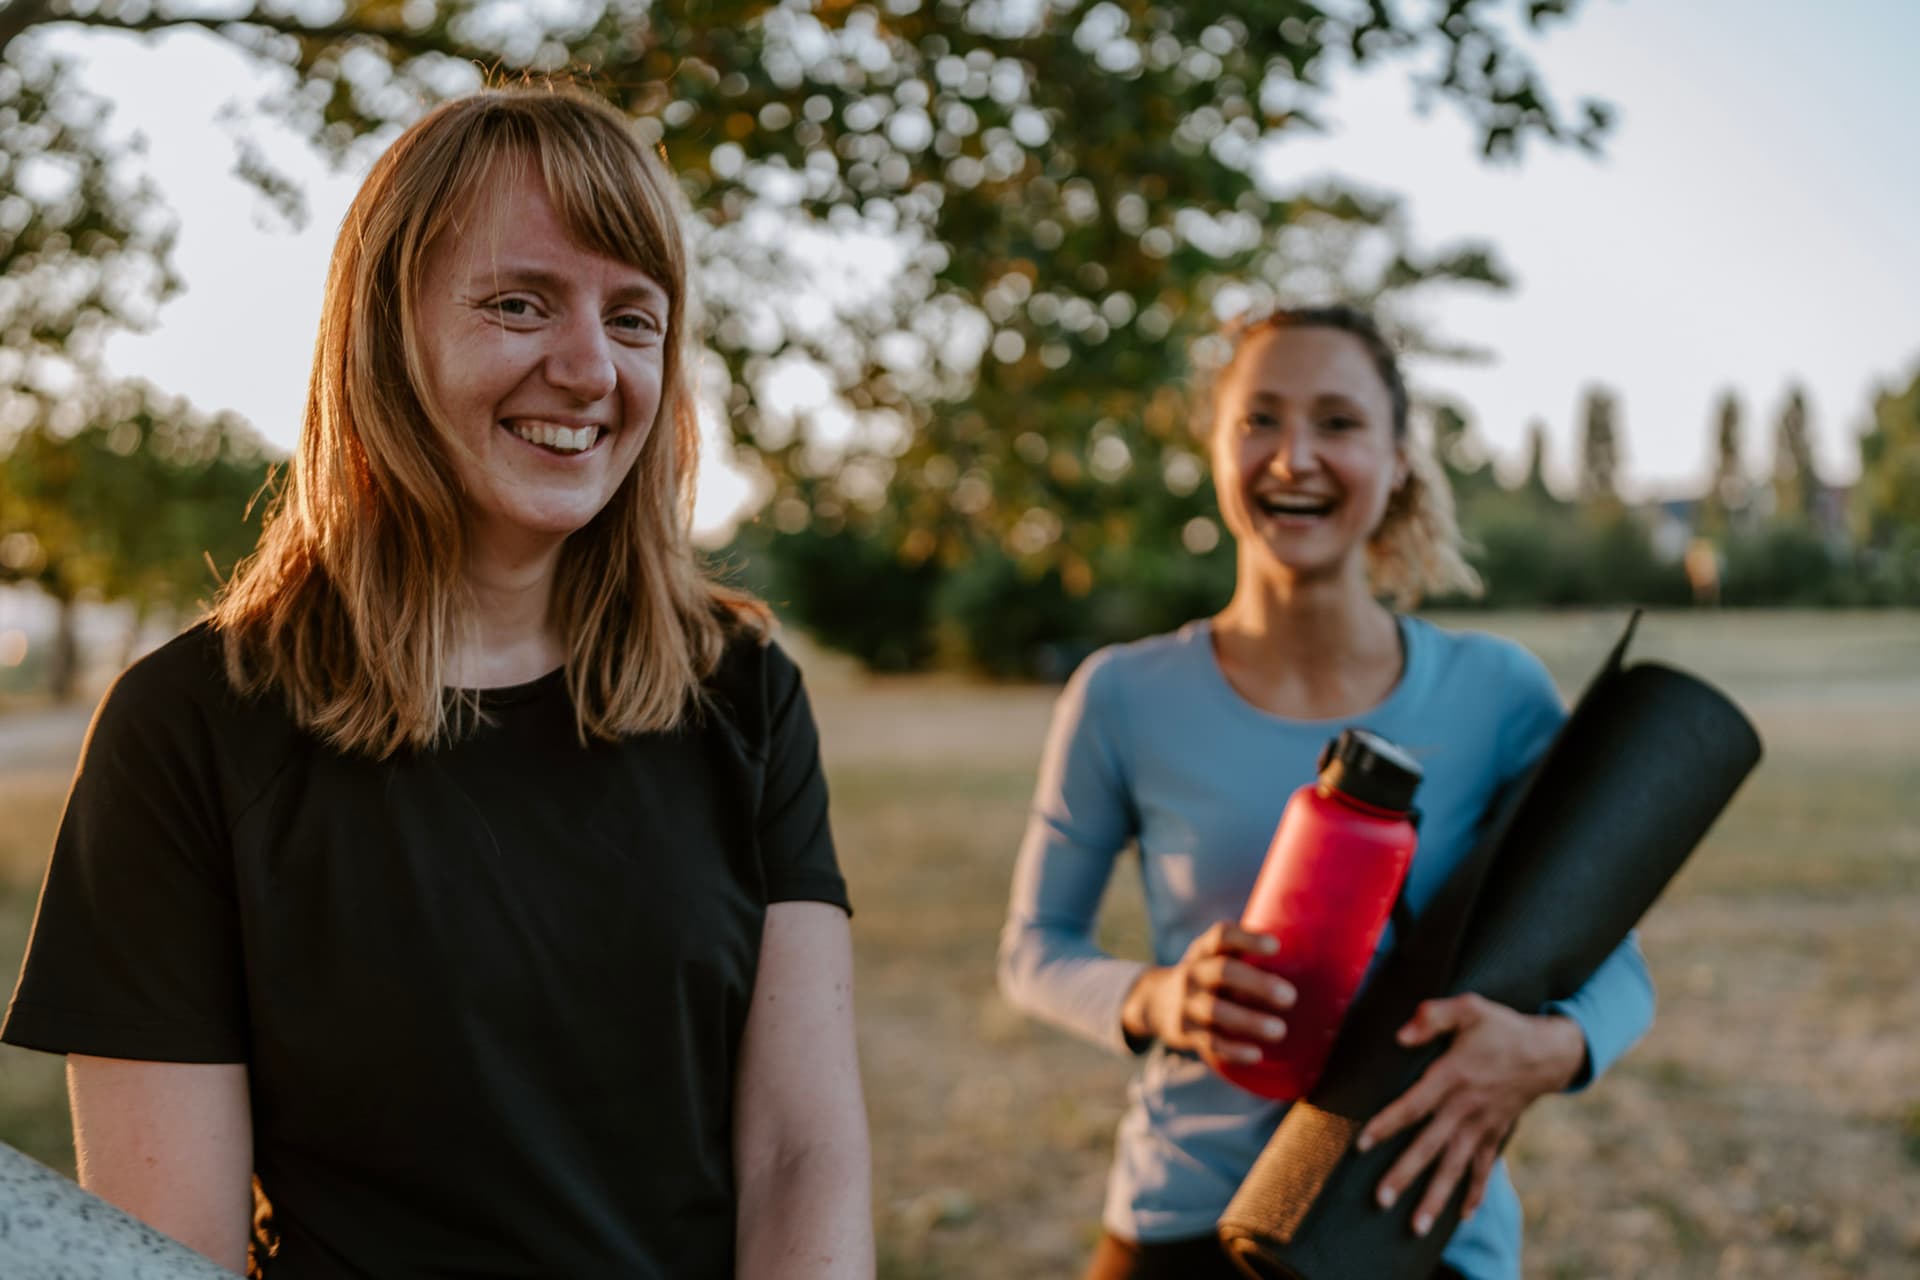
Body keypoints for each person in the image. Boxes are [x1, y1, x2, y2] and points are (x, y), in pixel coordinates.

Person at [1, 87, 872, 1279]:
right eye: (519, 303)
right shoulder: (188, 727)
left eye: (634, 318)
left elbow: (800, 1153)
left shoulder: (742, 687)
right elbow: (175, 1254)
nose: (587, 367)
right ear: (382, 336)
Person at [997, 306, 1655, 1280]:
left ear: (1398, 461)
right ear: (1216, 448)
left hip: (1414, 1219)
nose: (1294, 456)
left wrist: (1552, 1046)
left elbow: (1618, 966)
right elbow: (1034, 949)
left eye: (1339, 423)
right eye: (1259, 419)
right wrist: (1163, 995)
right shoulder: (1123, 695)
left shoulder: (1499, 693)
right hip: (1185, 1216)